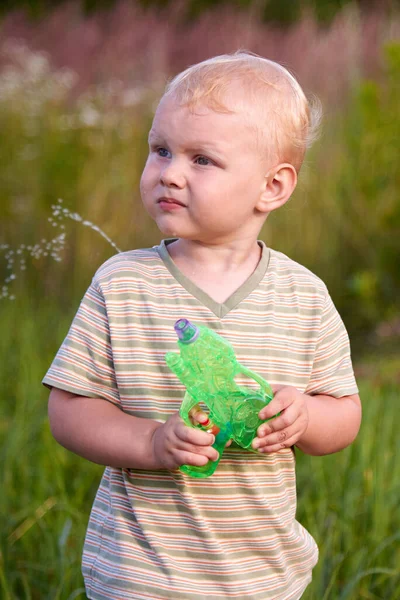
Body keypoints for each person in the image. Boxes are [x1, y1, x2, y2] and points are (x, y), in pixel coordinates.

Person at [44, 51, 361, 600]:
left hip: (264, 576)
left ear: (273, 187)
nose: (169, 172)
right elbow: (69, 411)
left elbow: (345, 413)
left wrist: (306, 417)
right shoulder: (123, 285)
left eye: (201, 159)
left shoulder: (304, 296)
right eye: (160, 149)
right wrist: (151, 442)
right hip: (142, 574)